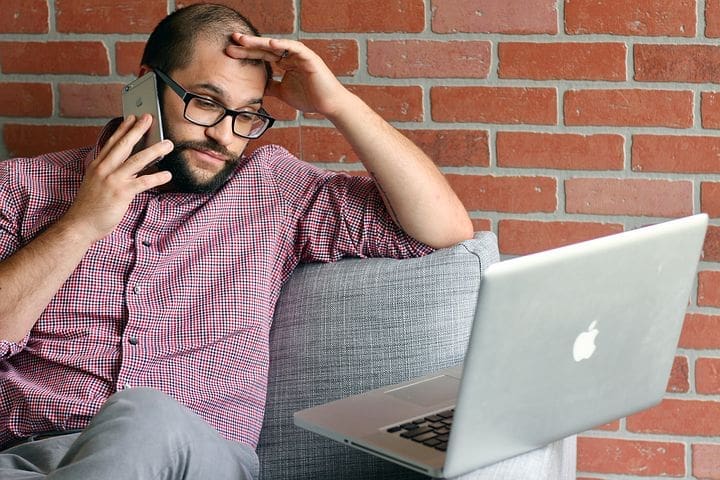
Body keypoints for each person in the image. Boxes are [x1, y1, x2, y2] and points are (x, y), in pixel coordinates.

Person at [0, 3, 474, 479]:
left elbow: (443, 228)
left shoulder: (272, 191)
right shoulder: (21, 188)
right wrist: (80, 224)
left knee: (142, 416)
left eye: (247, 116)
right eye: (205, 102)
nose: (224, 136)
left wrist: (337, 103)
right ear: (146, 85)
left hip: (193, 459)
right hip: (25, 459)